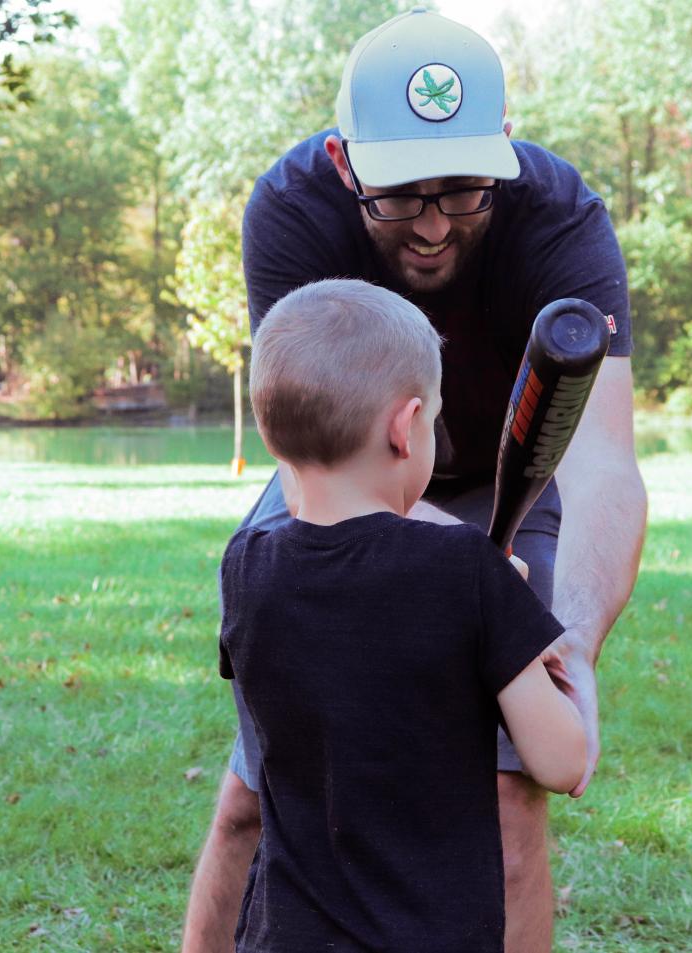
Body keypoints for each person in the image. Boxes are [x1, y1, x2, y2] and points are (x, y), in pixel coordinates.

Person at [183, 9, 647, 952]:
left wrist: (574, 644)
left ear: (505, 151)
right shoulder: (291, 209)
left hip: (518, 479)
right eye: (400, 195)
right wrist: (453, 572)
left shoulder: (561, 217)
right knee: (255, 794)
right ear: (345, 161)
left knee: (512, 804)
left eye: (464, 191)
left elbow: (601, 456)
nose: (434, 226)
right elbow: (304, 438)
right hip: (346, 472)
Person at [221, 278, 588, 951]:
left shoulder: (247, 565)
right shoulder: (467, 572)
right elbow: (562, 761)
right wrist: (516, 633)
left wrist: (485, 605)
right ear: (403, 426)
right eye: (433, 418)